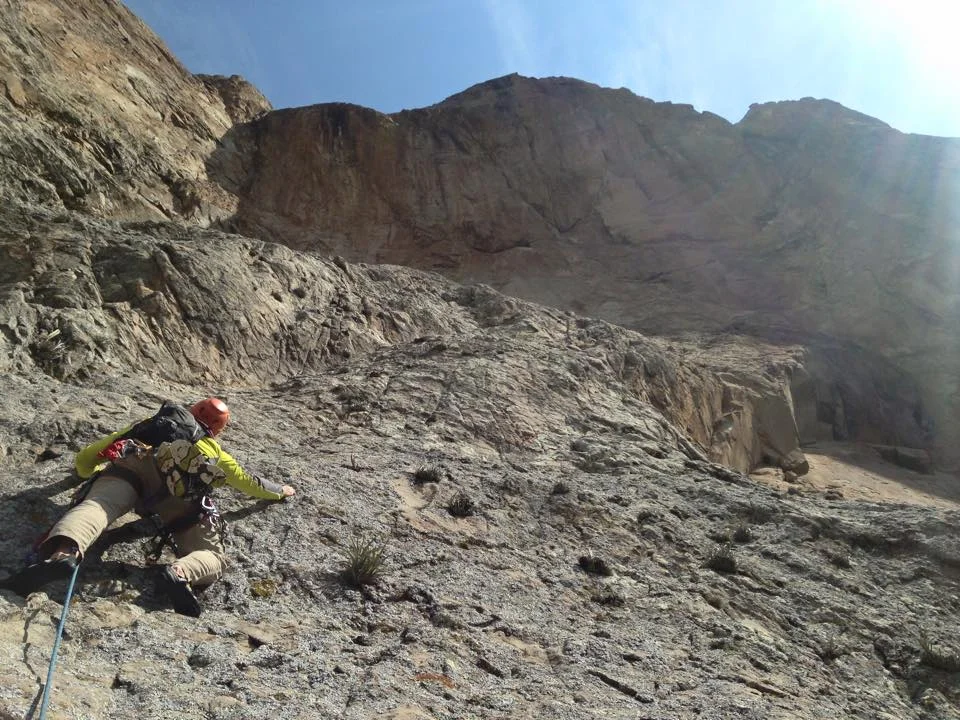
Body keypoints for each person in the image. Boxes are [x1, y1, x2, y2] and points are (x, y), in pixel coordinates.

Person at [9, 398, 295, 616]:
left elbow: (92, 454)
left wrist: (86, 469)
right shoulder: (215, 451)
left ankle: (64, 552)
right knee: (211, 555)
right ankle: (181, 572)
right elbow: (250, 482)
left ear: (191, 411)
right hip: (178, 492)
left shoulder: (159, 423)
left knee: (99, 505)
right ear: (218, 430)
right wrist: (280, 491)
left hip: (135, 469)